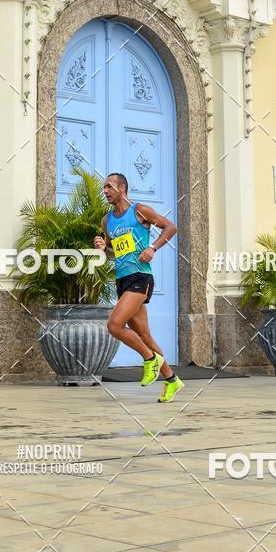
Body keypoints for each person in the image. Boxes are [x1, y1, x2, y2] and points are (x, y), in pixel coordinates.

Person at [94, 172, 184, 403]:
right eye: (104, 187)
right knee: (144, 335)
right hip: (122, 280)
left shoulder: (139, 211)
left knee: (114, 325)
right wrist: (103, 248)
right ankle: (172, 380)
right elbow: (114, 253)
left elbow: (170, 227)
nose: (105, 191)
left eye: (109, 186)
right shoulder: (107, 221)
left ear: (122, 188)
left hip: (140, 277)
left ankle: (149, 359)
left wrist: (152, 247)